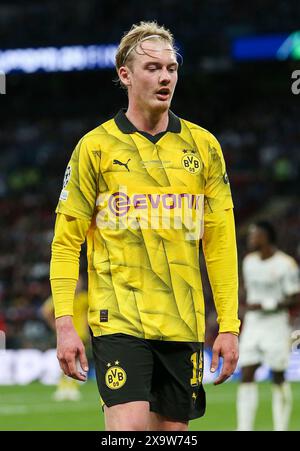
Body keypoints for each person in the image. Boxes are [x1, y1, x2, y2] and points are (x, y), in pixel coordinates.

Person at [50, 21, 240, 431]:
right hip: (118, 318)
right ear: (125, 74)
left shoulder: (204, 147)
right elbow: (66, 243)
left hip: (182, 320)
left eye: (171, 68)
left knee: (172, 435)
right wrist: (65, 322)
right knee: (129, 430)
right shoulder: (95, 148)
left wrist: (229, 325)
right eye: (153, 68)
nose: (166, 77)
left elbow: (220, 242)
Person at [237, 221, 300, 431]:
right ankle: (244, 428)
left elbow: (295, 297)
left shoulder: (286, 264)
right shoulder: (248, 262)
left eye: (255, 234)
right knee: (247, 372)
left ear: (267, 236)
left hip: (276, 324)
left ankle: (280, 428)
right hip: (253, 324)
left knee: (279, 375)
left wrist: (267, 304)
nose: (251, 238)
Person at [41, 274, 89, 401]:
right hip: (66, 335)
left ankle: (71, 388)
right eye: (77, 282)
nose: (79, 284)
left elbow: (90, 313)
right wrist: (56, 327)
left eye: (80, 282)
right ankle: (63, 387)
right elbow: (45, 311)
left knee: (77, 362)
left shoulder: (84, 298)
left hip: (81, 335)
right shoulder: (63, 298)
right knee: (65, 361)